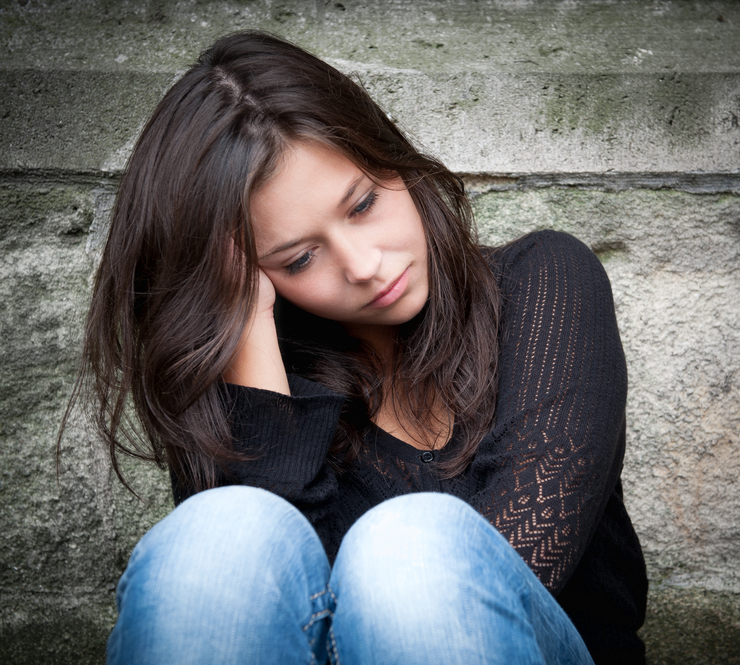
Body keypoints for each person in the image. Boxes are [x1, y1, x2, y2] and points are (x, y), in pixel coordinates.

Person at [77, 31, 647, 664]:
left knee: (410, 547)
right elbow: (289, 623)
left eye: (364, 204)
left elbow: (511, 575)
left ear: (390, 154)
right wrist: (252, 360)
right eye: (299, 258)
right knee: (221, 536)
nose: (365, 265)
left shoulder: (544, 283)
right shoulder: (245, 385)